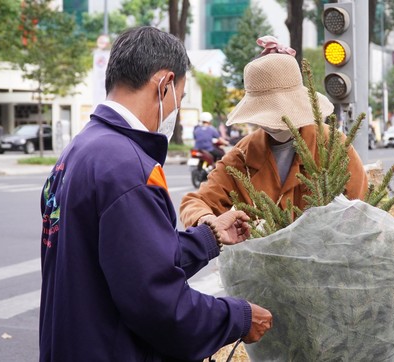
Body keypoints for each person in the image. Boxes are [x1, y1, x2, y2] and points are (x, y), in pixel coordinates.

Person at [39, 27, 272, 362]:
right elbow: (158, 302)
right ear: (164, 84)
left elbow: (129, 258)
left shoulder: (78, 151)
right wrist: (238, 317)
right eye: (180, 93)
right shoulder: (128, 166)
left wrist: (209, 237)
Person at [179, 35, 368, 228]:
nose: (276, 123)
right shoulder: (244, 154)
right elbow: (196, 202)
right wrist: (206, 219)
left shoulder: (331, 144)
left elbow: (360, 205)